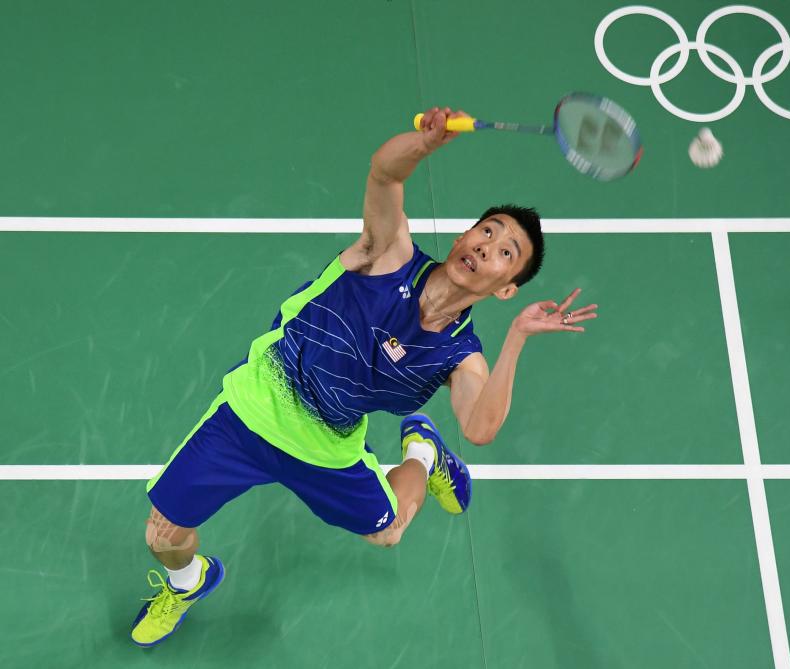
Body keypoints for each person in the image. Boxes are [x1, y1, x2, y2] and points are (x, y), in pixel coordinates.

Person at [130, 106, 599, 647]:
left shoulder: (460, 354)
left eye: (505, 253)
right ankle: (189, 582)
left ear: (506, 287)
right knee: (162, 535)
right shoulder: (389, 255)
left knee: (389, 532)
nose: (485, 246)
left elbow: (481, 428)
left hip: (326, 447)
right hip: (252, 411)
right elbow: (384, 173)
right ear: (465, 234)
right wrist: (426, 144)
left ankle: (423, 453)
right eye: (485, 231)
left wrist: (515, 337)